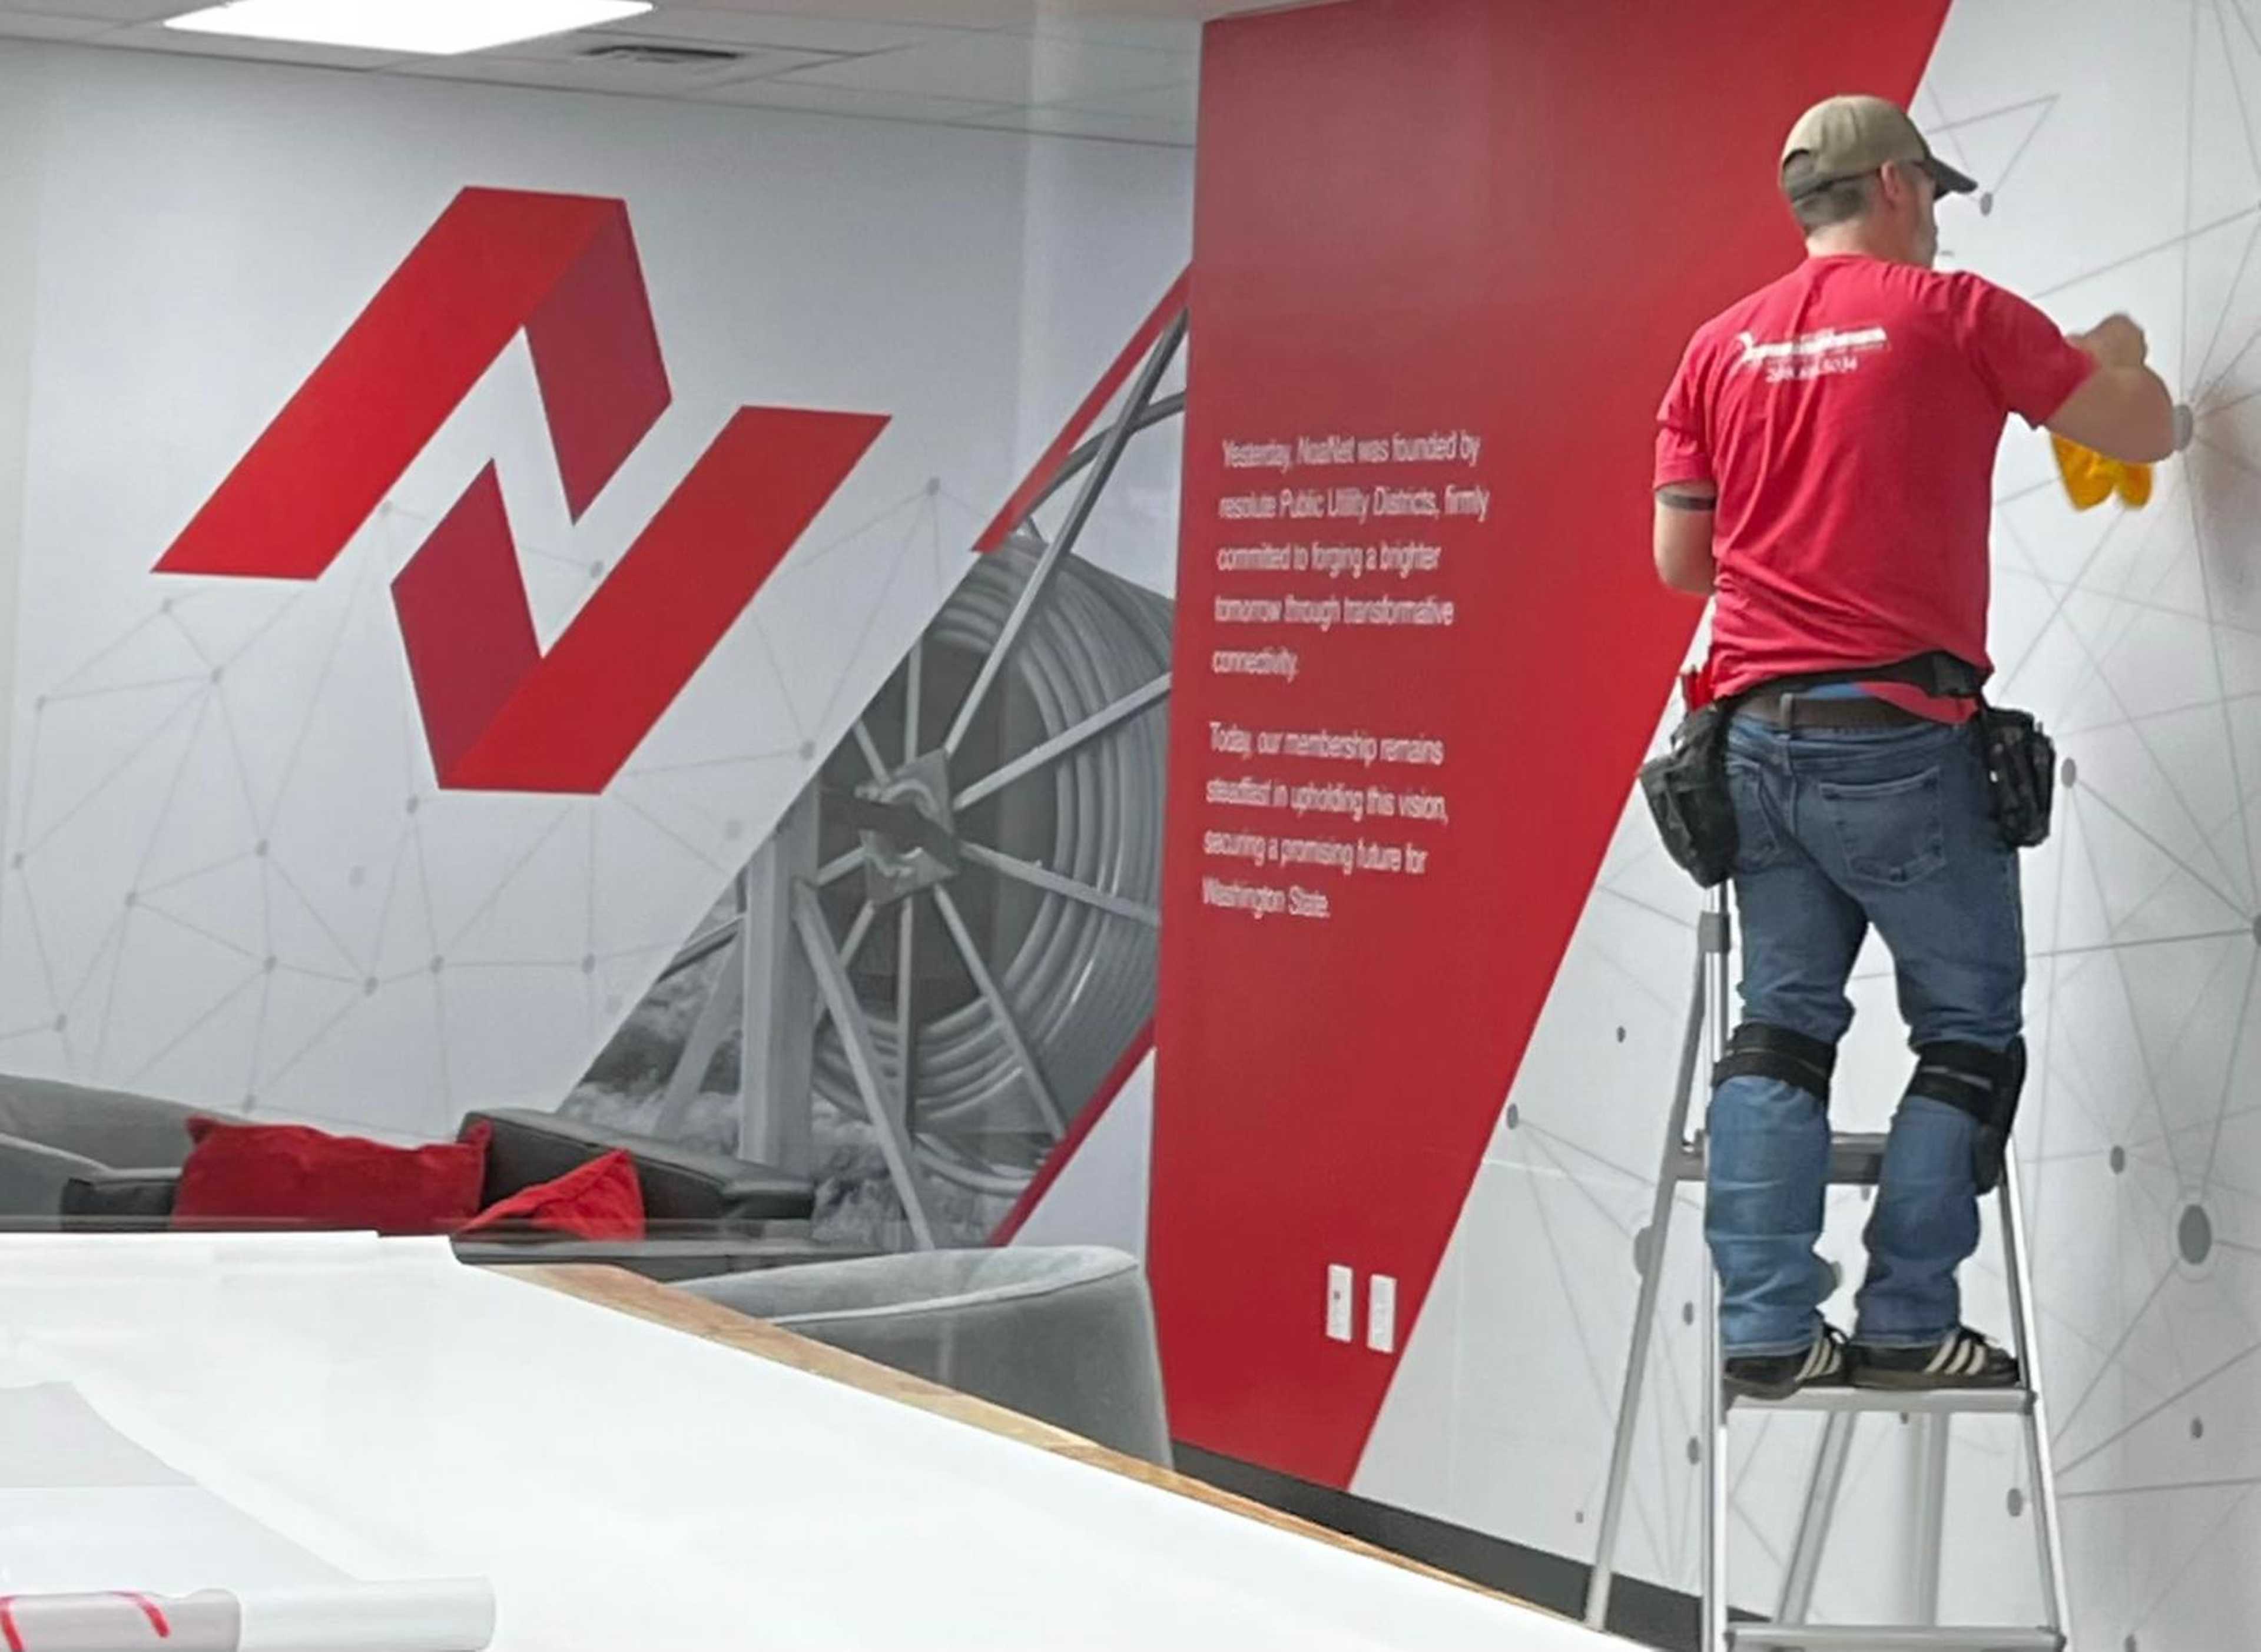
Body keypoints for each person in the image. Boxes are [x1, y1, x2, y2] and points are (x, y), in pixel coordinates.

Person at [1650, 94, 2177, 1399]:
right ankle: (1904, 1321)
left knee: (1779, 1027)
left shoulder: (1715, 348)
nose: (1938, 218)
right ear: (1893, 185)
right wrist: (2120, 357)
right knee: (1966, 1035)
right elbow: (2142, 430)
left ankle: (1768, 1329)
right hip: (1904, 734)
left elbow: (1681, 563)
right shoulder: (1953, 316)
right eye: (1931, 194)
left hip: (1753, 742)